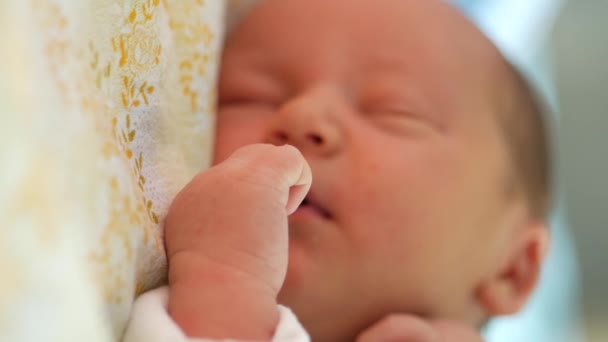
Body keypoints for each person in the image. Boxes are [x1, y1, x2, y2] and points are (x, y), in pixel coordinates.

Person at [125, 0, 553, 340]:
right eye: (249, 96)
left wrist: (224, 281)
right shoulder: (149, 306)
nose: (302, 115)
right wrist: (225, 280)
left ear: (512, 269)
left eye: (395, 111)